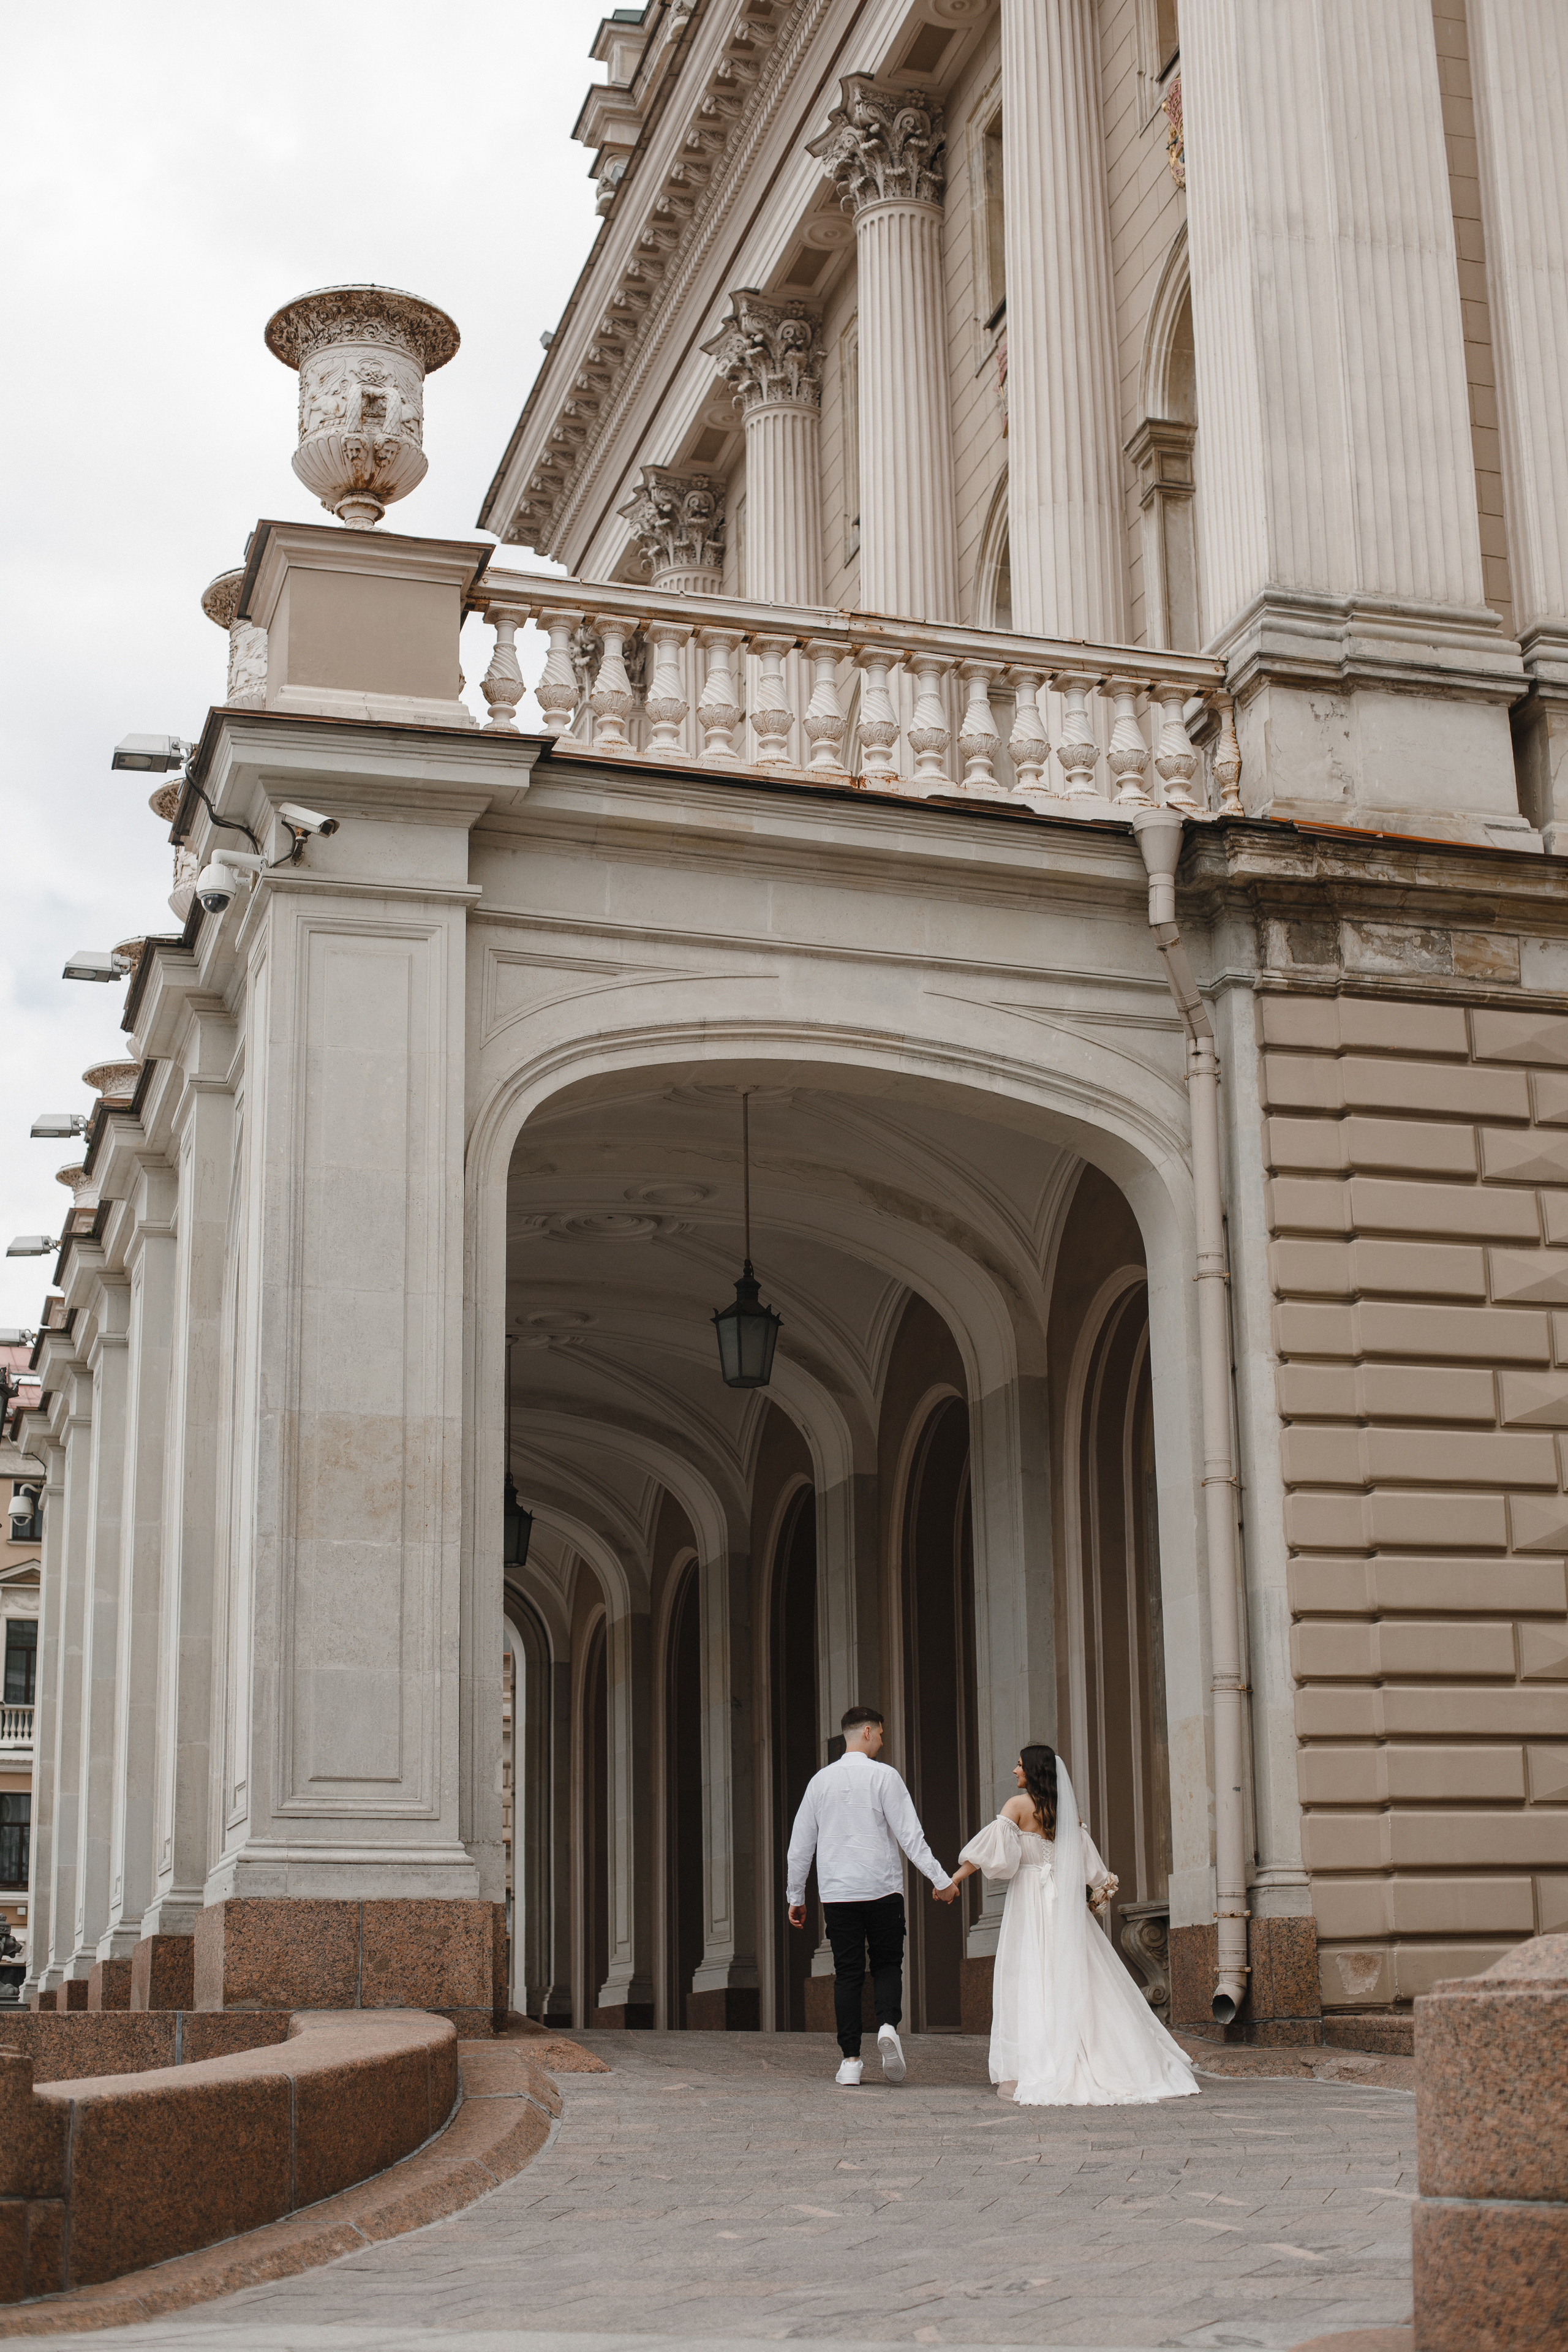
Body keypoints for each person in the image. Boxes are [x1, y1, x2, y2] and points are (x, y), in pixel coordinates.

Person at [938, 1741, 1198, 2106]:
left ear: (1032, 1771)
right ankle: (1107, 2058)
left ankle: (1037, 2064)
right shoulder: (1068, 1815)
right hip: (1063, 1905)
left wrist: (954, 1880)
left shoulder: (1016, 1807)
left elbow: (986, 1855)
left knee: (1030, 1978)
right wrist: (1098, 1894)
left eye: (1019, 1766)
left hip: (1030, 1903)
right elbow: (1095, 1872)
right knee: (1079, 1977)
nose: (1014, 1772)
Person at [786, 1705, 953, 2086]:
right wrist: (941, 1881)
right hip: (883, 1890)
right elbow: (912, 1837)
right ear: (865, 1732)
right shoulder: (885, 1777)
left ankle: (850, 2061)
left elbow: (800, 1847)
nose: (881, 1740)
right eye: (879, 1734)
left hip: (838, 1895)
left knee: (846, 1974)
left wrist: (796, 1896)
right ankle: (888, 2027)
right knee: (887, 1965)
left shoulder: (820, 1782)